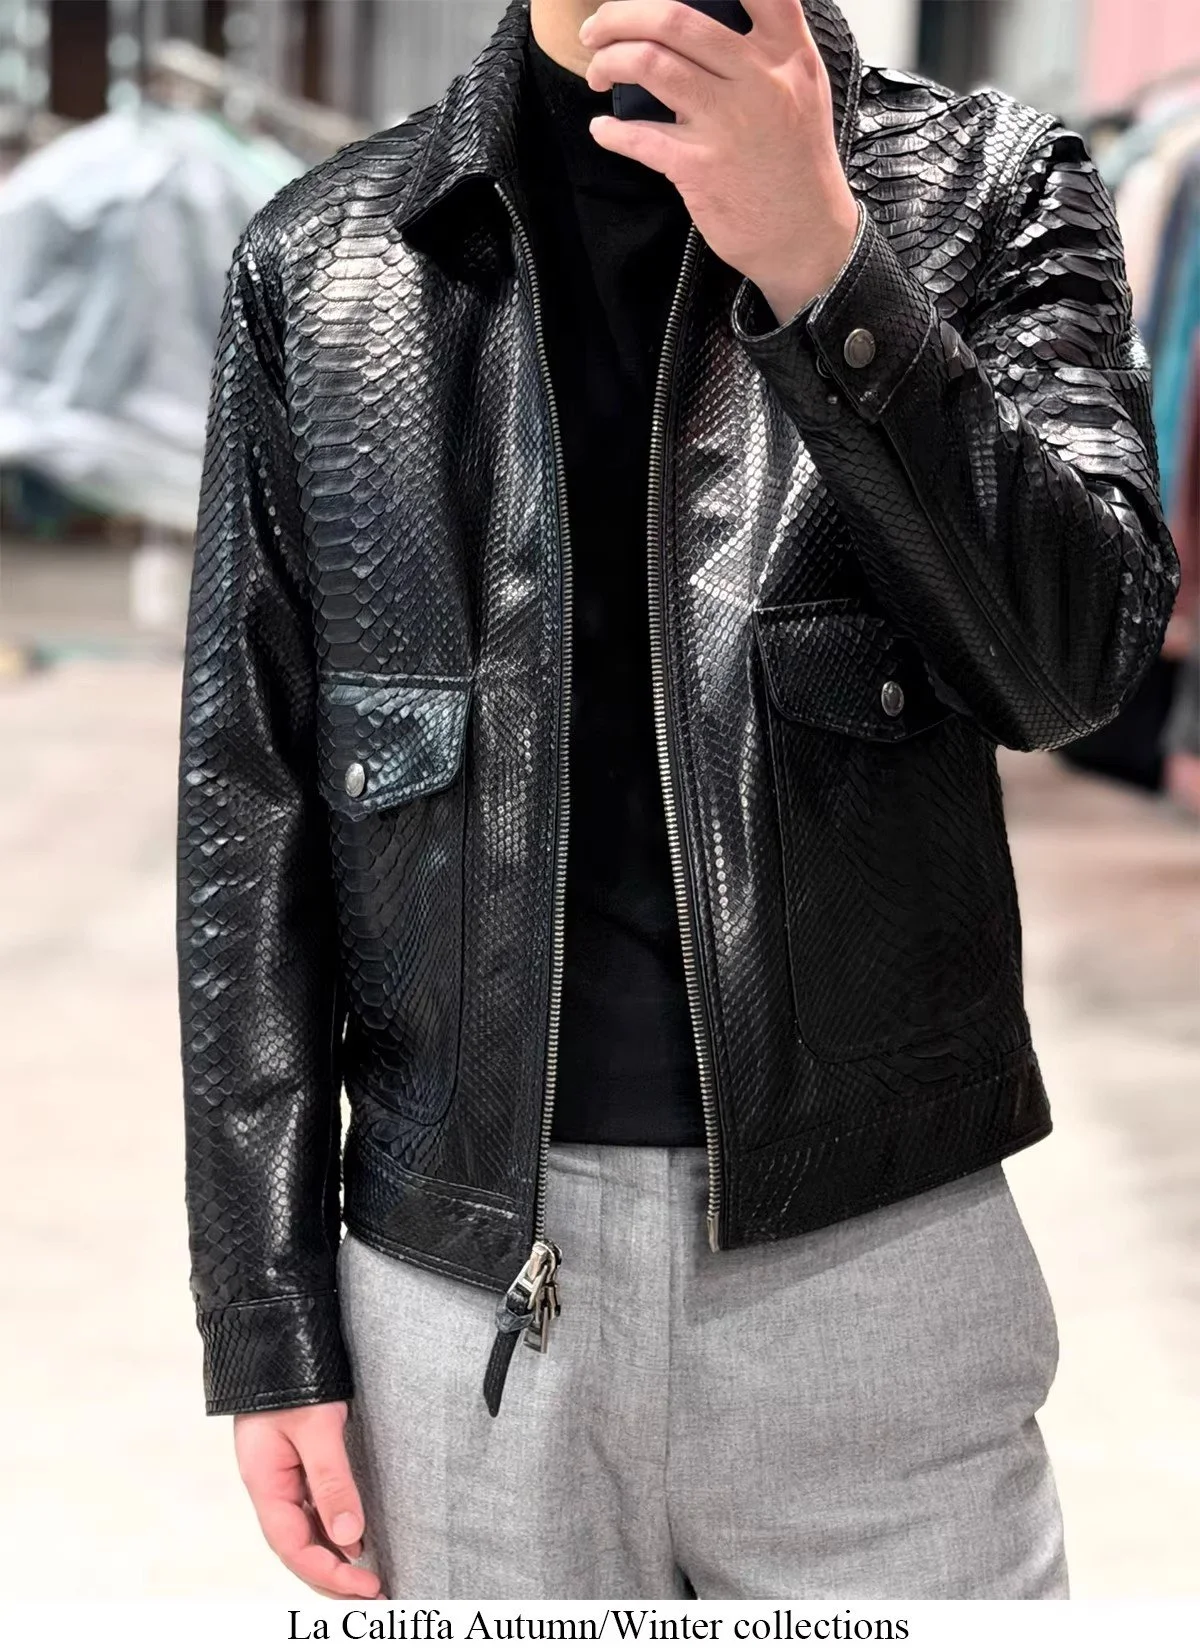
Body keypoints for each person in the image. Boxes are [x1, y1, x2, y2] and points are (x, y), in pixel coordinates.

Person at [176, 0, 1180, 1604]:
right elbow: (253, 809)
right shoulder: (327, 258)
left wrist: (829, 272)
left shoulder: (985, 185)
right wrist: (266, 1318)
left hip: (875, 1260)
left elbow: (1073, 667)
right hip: (459, 1281)